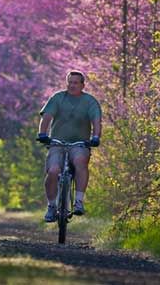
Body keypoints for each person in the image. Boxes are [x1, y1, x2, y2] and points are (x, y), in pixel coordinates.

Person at [36, 70, 102, 222]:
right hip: (57, 144)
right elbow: (47, 117)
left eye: (76, 83)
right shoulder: (58, 98)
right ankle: (51, 206)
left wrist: (96, 137)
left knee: (80, 161)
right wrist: (42, 134)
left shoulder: (89, 101)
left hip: (79, 144)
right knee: (53, 170)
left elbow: (96, 121)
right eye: (70, 82)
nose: (72, 85)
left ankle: (78, 201)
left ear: (82, 85)